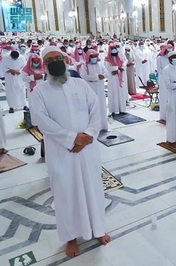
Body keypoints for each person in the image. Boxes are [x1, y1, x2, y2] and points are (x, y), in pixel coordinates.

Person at [29, 46, 110, 257]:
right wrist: (73, 138)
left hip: (87, 150)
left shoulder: (80, 84)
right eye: (50, 60)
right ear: (45, 66)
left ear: (65, 60)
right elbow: (42, 122)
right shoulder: (39, 92)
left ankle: (98, 229)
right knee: (66, 195)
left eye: (58, 58)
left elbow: (96, 110)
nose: (55, 61)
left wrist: (88, 136)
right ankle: (71, 238)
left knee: (93, 189)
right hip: (62, 153)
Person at [81, 49, 109, 131]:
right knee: (92, 107)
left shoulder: (100, 65)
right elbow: (83, 76)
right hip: (90, 88)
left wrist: (103, 75)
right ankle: (92, 128)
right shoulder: (85, 66)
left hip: (100, 88)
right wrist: (96, 76)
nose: (94, 58)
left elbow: (106, 73)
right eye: (92, 57)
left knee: (101, 106)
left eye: (95, 56)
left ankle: (103, 126)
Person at [104, 43, 128, 116]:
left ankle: (122, 109)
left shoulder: (120, 55)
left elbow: (125, 62)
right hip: (113, 78)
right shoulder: (107, 58)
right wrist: (117, 68)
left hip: (121, 77)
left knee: (121, 93)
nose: (114, 50)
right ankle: (113, 110)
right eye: (112, 49)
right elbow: (108, 67)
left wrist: (121, 68)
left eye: (115, 48)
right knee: (113, 92)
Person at [157, 44, 173, 122]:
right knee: (164, 97)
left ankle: (170, 114)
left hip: (171, 80)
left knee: (170, 98)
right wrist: (166, 73)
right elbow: (159, 69)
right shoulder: (160, 58)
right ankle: (163, 115)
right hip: (163, 80)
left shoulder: (170, 58)